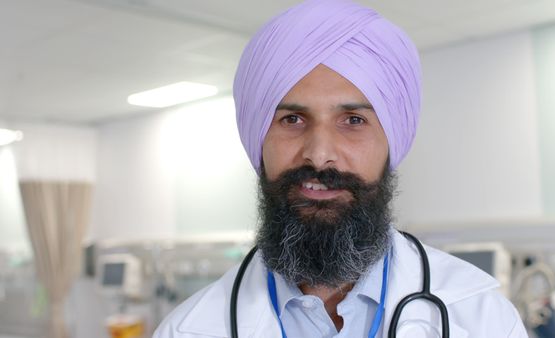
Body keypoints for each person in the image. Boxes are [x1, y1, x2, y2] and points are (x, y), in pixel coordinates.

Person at [153, 0, 528, 337]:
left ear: (392, 141)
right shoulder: (186, 330)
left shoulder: (482, 319)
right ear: (259, 141)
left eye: (352, 120)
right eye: (292, 119)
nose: (319, 155)